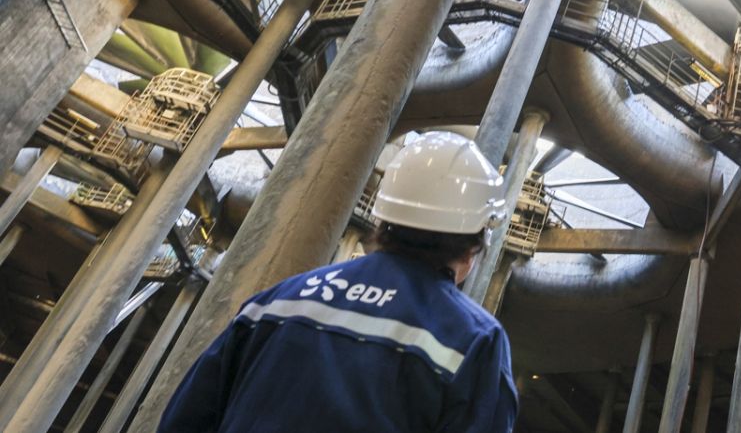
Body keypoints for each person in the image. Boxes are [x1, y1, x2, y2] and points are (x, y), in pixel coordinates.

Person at [159, 131, 519, 432]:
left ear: (383, 220)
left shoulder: (276, 301)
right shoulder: (474, 341)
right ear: (474, 243)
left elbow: (184, 421)